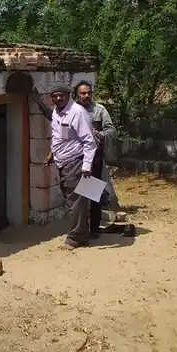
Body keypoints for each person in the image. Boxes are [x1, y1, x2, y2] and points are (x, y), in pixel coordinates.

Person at [30, 83, 98, 250]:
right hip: (64, 162)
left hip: (77, 162)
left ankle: (76, 238)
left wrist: (87, 166)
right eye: (55, 96)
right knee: (80, 199)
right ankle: (86, 232)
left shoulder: (77, 112)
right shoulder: (57, 112)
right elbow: (61, 136)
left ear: (69, 95)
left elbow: (89, 142)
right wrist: (52, 154)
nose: (58, 98)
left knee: (76, 201)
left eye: (61, 95)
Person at [74, 80, 119, 238]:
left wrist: (99, 134)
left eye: (88, 93)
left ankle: (93, 229)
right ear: (77, 95)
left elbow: (111, 129)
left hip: (94, 158)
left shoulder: (99, 110)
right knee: (78, 195)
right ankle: (79, 228)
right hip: (76, 158)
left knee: (93, 193)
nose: (86, 96)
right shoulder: (72, 110)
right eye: (82, 93)